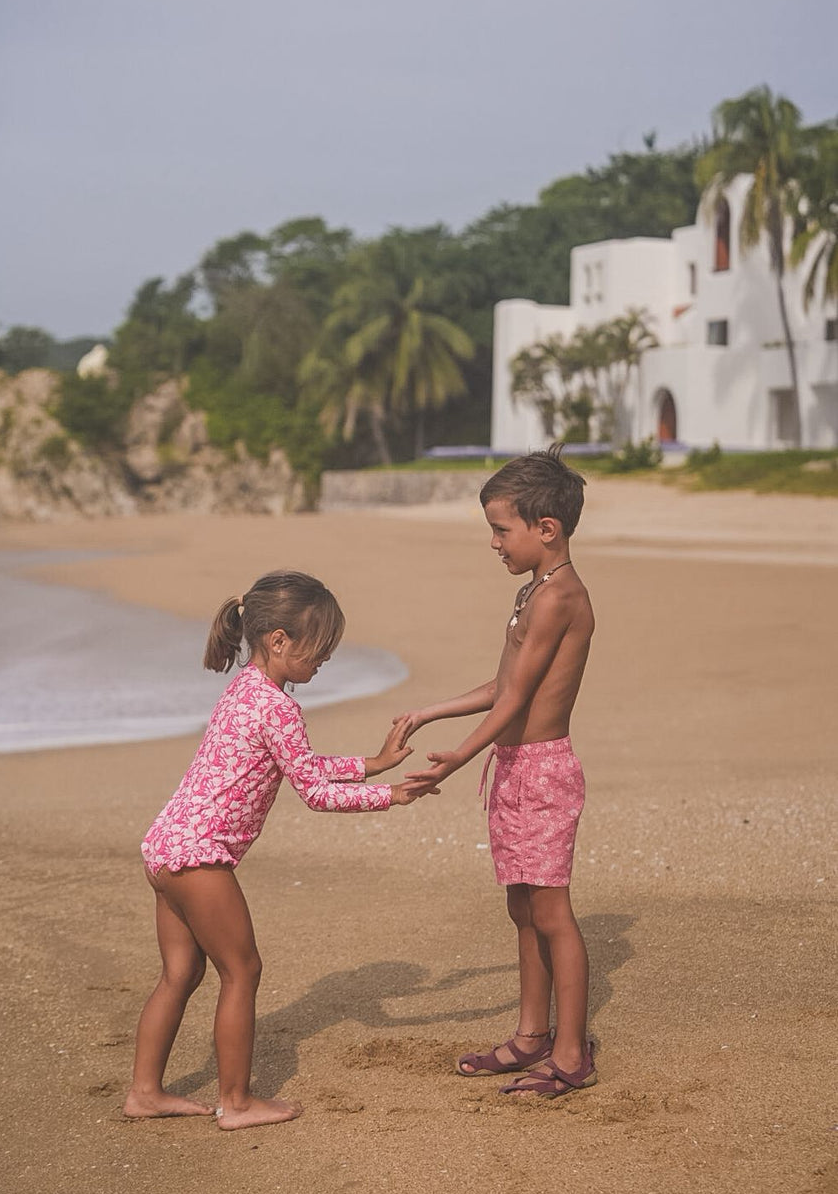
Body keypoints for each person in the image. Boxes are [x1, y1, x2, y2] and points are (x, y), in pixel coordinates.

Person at [124, 570, 426, 1130]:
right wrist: (391, 796)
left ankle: (144, 1092)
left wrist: (374, 764)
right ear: (279, 640)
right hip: (200, 856)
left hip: (165, 848)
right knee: (243, 971)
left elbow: (302, 767)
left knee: (180, 975)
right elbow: (313, 792)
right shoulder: (279, 707)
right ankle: (236, 1103)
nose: (324, 662)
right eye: (319, 651)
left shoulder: (245, 688)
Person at [399, 446, 596, 1098]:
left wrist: (459, 756)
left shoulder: (561, 597)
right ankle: (531, 1035)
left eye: (500, 529)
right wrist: (431, 712)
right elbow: (502, 684)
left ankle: (570, 1054)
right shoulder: (530, 591)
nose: (493, 543)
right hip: (511, 767)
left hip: (541, 771)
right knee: (521, 907)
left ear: (548, 529)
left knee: (552, 912)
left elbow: (517, 703)